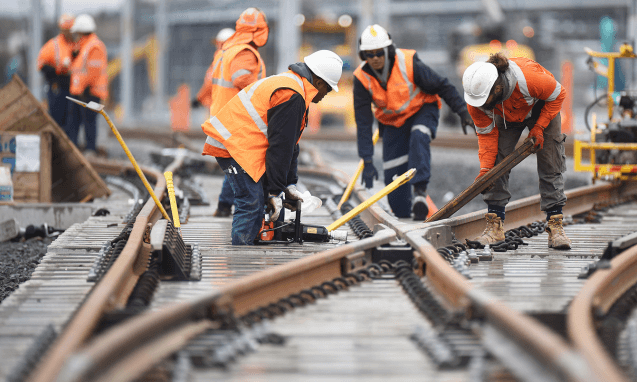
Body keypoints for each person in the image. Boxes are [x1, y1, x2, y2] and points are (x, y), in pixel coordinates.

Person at [201, 50, 342, 245]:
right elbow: (280, 148)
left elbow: (290, 144)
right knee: (251, 202)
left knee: (257, 200)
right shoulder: (292, 95)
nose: (326, 95)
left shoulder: (295, 88)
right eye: (328, 89)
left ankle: (250, 245)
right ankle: (241, 257)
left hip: (243, 145)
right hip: (235, 145)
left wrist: (288, 184)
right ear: (319, 82)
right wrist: (275, 192)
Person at [353, 24, 475, 221]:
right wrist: (367, 161)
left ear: (387, 50)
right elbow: (363, 122)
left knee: (419, 135)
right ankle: (408, 206)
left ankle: (420, 192)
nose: (374, 58)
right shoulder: (361, 78)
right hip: (393, 124)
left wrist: (462, 111)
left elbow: (443, 85)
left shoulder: (408, 63)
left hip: (422, 111)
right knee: (398, 206)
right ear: (363, 55)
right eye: (369, 54)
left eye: (378, 53)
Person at [461, 53, 571, 249]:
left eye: (485, 101)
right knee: (496, 163)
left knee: (550, 161)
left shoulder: (529, 79)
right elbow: (487, 138)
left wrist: (539, 127)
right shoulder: (477, 101)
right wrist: (486, 172)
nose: (481, 107)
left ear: (497, 88)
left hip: (542, 107)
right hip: (506, 114)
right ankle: (495, 228)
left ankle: (555, 226)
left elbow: (558, 94)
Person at [202, 8, 269, 218]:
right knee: (244, 171)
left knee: (236, 167)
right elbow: (242, 79)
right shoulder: (244, 52)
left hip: (225, 117)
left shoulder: (228, 50)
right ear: (260, 31)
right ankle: (242, 223)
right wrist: (267, 92)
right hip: (237, 121)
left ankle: (223, 207)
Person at [65, 14, 107, 154]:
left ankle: (90, 150)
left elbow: (93, 72)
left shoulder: (94, 46)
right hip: (80, 92)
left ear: (81, 32)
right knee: (74, 122)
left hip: (90, 92)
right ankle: (74, 149)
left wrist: (85, 88)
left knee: (89, 122)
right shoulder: (84, 46)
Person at [37, 13, 76, 129]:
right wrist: (57, 74)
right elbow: (41, 65)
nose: (70, 33)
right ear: (62, 30)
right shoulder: (53, 45)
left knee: (71, 121)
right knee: (57, 119)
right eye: (68, 30)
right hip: (57, 88)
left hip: (72, 88)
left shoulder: (74, 45)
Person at [192, 27, 235, 110]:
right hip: (230, 105)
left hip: (217, 105)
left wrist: (199, 98)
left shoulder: (219, 59)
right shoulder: (237, 58)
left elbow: (209, 82)